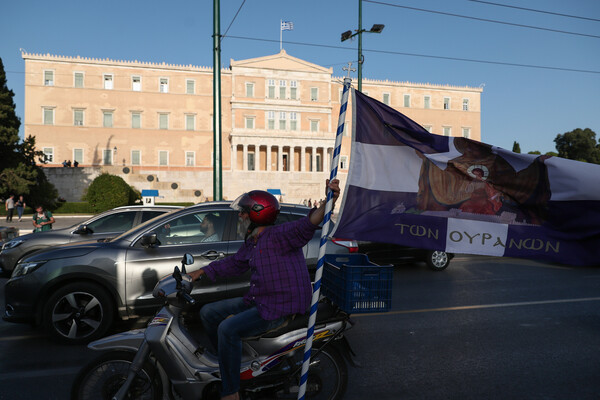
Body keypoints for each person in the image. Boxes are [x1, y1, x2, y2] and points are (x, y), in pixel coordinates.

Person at [188, 179, 340, 400]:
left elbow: (307, 224)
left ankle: (230, 392)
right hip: (259, 299)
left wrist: (329, 201)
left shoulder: (281, 235)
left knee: (227, 329)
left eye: (243, 213)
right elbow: (235, 263)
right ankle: (233, 361)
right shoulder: (253, 241)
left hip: (279, 306)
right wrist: (200, 272)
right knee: (208, 313)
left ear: (257, 214)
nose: (239, 216)